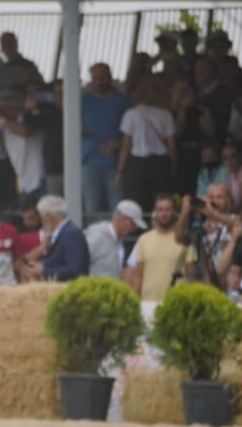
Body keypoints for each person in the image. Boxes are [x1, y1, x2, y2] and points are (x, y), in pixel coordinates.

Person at [117, 75, 176, 215]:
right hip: (160, 163)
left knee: (137, 203)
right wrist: (173, 164)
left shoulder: (131, 114)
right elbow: (172, 145)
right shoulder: (166, 114)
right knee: (160, 202)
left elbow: (126, 146)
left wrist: (120, 171)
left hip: (137, 164)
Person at [81, 63, 130, 217]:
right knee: (92, 207)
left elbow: (130, 131)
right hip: (89, 161)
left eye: (102, 77)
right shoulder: (83, 101)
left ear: (110, 77)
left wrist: (118, 144)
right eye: (95, 78)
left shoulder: (122, 101)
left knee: (117, 207)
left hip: (115, 163)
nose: (99, 81)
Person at [125, 194, 193, 303]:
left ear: (174, 212)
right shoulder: (143, 239)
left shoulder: (184, 240)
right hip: (148, 302)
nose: (163, 214)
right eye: (160, 210)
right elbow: (138, 276)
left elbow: (191, 274)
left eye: (167, 210)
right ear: (155, 212)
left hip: (176, 302)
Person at [85, 199, 147, 278]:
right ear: (124, 220)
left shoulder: (117, 240)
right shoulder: (97, 237)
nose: (133, 230)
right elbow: (80, 262)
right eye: (133, 225)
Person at [36, 195, 89, 281]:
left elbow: (75, 269)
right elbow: (58, 261)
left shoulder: (71, 234)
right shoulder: (63, 233)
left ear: (49, 216)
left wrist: (44, 271)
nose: (41, 221)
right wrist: (41, 266)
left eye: (41, 217)